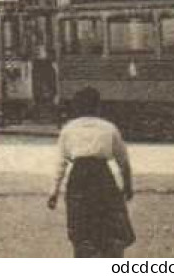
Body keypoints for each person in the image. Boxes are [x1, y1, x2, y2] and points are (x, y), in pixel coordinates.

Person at [49, 87, 135, 257]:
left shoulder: (68, 129)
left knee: (81, 228)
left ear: (77, 107)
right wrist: (128, 186)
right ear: (98, 107)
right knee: (110, 227)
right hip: (102, 178)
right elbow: (123, 162)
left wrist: (54, 192)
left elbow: (61, 164)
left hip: (78, 179)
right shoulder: (109, 128)